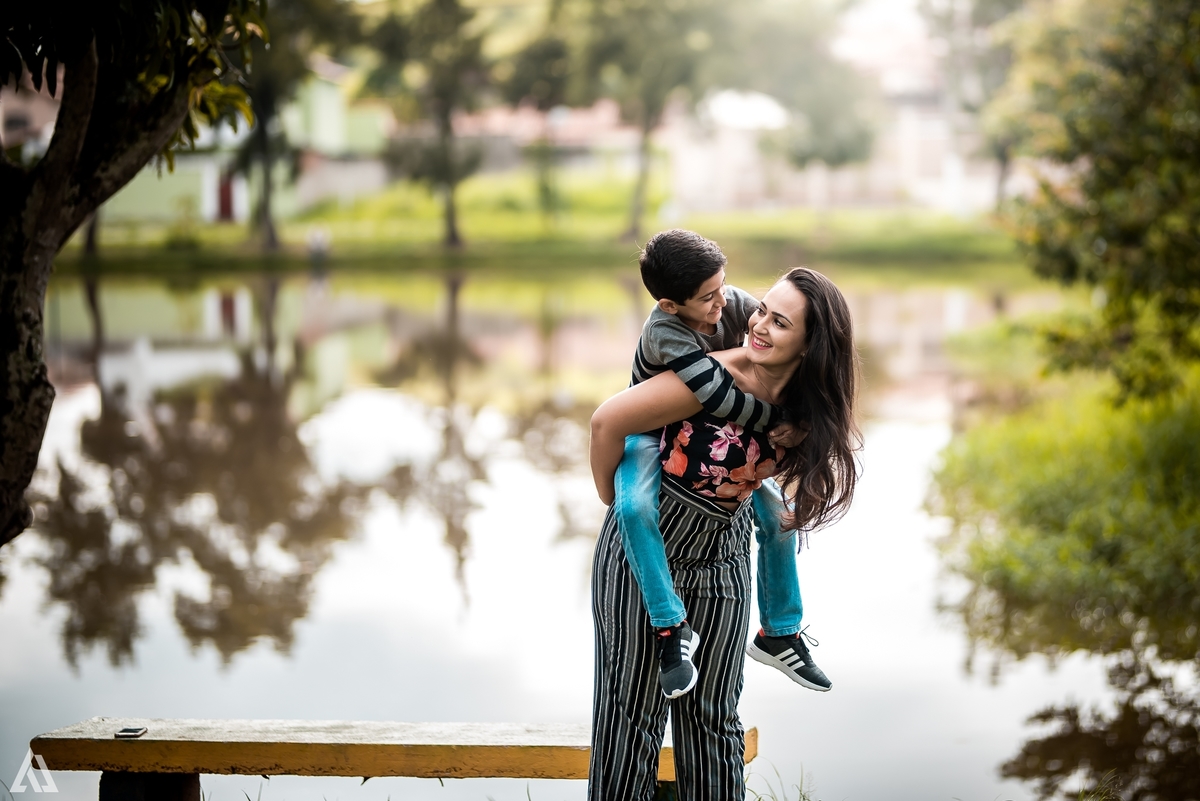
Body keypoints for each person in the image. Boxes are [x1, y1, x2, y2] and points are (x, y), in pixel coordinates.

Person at [588, 267, 861, 801]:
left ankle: (781, 634)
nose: (757, 325)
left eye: (779, 323)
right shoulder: (708, 380)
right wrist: (610, 500)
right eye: (761, 310)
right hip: (643, 564)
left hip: (723, 561)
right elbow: (607, 424)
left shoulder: (805, 409)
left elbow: (776, 493)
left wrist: (800, 426)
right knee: (630, 724)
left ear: (811, 347)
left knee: (714, 724)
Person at [616, 229, 830, 699]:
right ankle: (670, 625)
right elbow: (717, 397)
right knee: (632, 508)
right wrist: (781, 420)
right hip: (651, 433)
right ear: (671, 305)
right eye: (708, 297)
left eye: (723, 285)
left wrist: (805, 420)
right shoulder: (665, 331)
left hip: (704, 437)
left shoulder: (729, 301)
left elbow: (774, 332)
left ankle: (780, 630)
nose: (724, 301)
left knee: (781, 515)